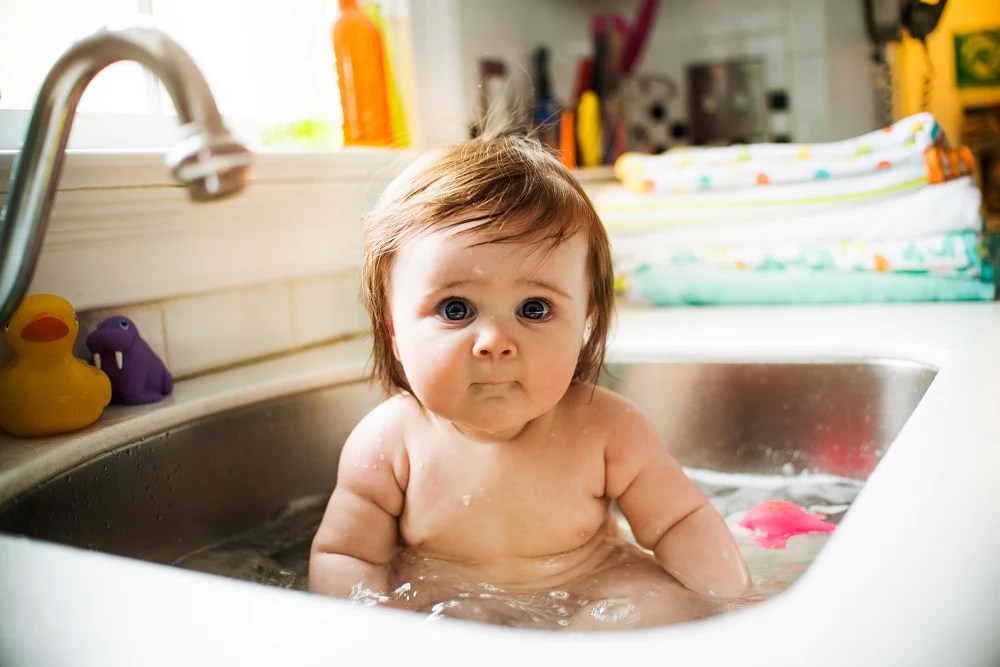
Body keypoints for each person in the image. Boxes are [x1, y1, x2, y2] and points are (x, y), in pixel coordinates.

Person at [308, 133, 751, 629]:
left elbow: (681, 523)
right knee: (447, 627)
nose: (495, 341)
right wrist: (372, 633)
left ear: (585, 322)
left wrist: (734, 608)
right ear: (394, 328)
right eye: (456, 310)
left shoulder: (607, 429)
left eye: (534, 309)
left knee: (649, 605)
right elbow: (347, 557)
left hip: (593, 586)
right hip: (448, 605)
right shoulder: (388, 443)